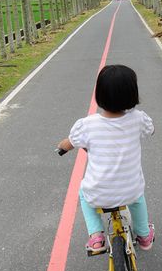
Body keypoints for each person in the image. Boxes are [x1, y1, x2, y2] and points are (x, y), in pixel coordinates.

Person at [57, 64, 155, 254]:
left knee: (84, 194)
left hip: (99, 193)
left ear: (99, 94)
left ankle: (96, 236)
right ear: (132, 94)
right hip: (131, 189)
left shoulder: (87, 125)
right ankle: (143, 235)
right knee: (138, 198)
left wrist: (61, 147)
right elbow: (151, 130)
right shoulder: (138, 119)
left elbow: (69, 143)